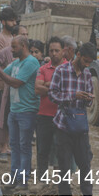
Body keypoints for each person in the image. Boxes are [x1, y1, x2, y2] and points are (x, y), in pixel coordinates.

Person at [0, 36, 39, 186]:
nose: (11, 50)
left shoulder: (31, 62)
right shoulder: (16, 63)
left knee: (24, 146)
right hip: (14, 110)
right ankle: (15, 177)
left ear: (23, 46)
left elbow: (15, 83)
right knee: (14, 145)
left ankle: (23, 180)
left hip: (27, 111)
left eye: (14, 47)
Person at [49, 42, 97, 196]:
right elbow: (52, 94)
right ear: (77, 54)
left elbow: (90, 101)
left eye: (89, 62)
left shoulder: (87, 75)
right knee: (64, 164)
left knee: (85, 164)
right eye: (85, 60)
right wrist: (72, 96)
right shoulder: (61, 71)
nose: (86, 65)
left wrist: (88, 98)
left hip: (80, 126)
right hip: (63, 124)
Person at [35, 37, 66, 177]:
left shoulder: (69, 68)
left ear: (63, 51)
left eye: (57, 50)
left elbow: (68, 91)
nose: (54, 53)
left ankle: (60, 183)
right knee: (42, 149)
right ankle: (42, 179)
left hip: (63, 116)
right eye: (51, 50)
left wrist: (47, 85)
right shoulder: (43, 68)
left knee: (62, 150)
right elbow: (37, 89)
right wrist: (55, 89)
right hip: (44, 115)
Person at [0, 7, 18, 140]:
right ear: (3, 22)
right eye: (11, 21)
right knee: (0, 115)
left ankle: (2, 142)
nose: (14, 23)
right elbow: (1, 61)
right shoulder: (0, 38)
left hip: (10, 82)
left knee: (6, 114)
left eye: (15, 20)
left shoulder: (13, 37)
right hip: (1, 82)